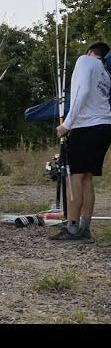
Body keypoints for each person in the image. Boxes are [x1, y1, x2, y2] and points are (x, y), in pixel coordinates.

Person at [51, 42, 111, 241]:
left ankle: (72, 228)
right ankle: (85, 228)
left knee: (74, 177)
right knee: (86, 177)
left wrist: (67, 124)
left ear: (90, 52)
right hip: (104, 126)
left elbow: (82, 91)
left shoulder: (85, 61)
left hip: (86, 126)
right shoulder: (105, 74)